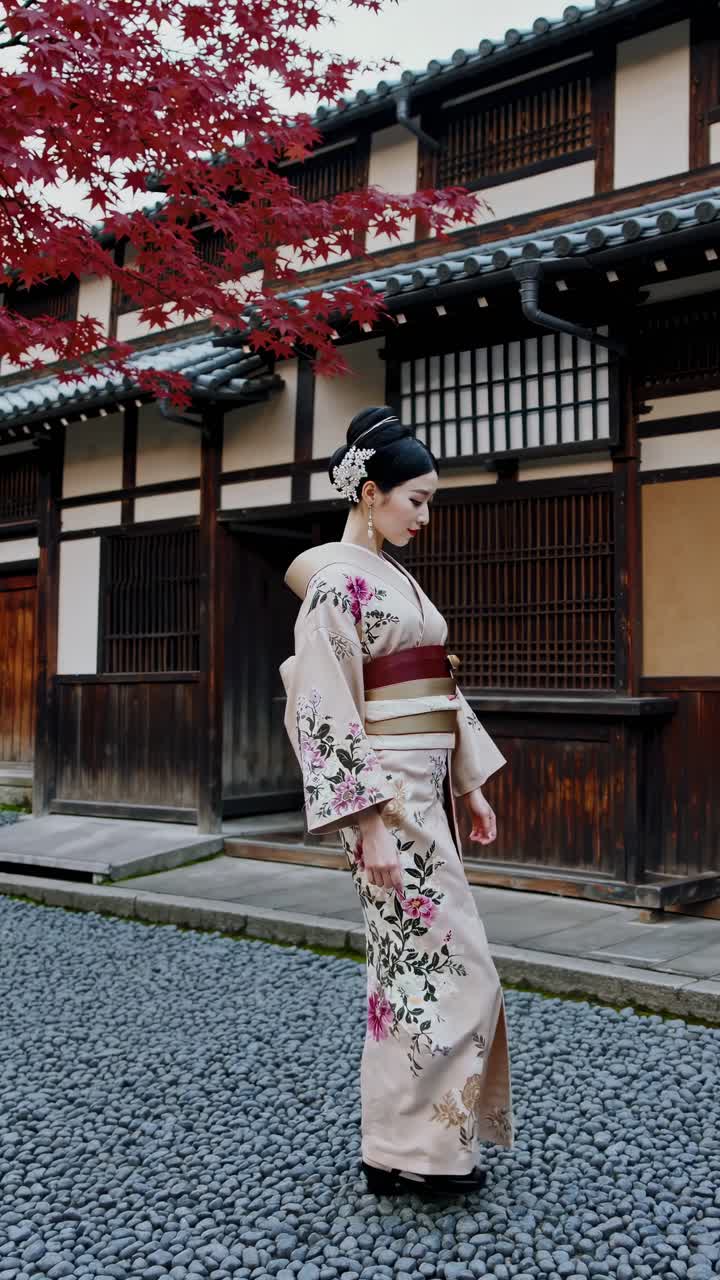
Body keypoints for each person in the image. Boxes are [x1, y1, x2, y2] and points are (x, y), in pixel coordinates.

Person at [279, 406, 514, 1199]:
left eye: (429, 500)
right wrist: (367, 823)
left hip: (422, 795)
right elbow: (322, 705)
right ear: (371, 492)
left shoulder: (393, 579)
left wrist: (469, 780)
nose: (424, 515)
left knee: (413, 973)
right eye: (416, 499)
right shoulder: (335, 586)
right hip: (386, 805)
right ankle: (417, 1151)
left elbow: (437, 684)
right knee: (452, 968)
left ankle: (398, 1149)